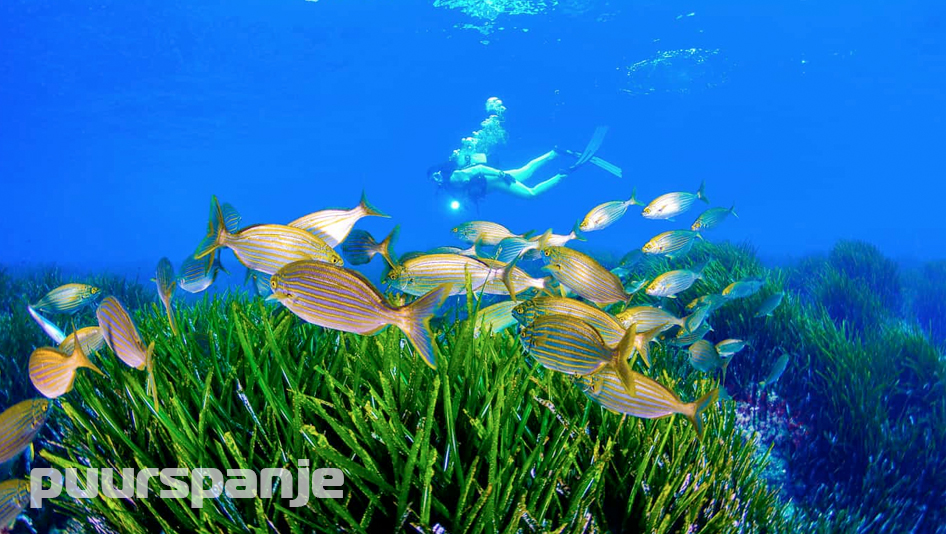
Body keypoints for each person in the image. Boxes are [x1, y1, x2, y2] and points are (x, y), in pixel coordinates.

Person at [428, 98, 620, 205]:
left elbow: (477, 168)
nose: (436, 180)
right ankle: (553, 153)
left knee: (531, 194)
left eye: (435, 175)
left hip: (494, 180)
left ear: (440, 171)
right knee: (526, 171)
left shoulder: (453, 178)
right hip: (493, 181)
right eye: (433, 179)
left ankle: (563, 174)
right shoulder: (446, 186)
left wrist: (501, 174)